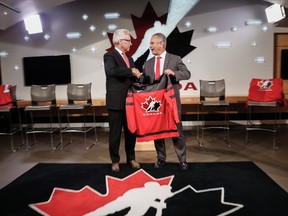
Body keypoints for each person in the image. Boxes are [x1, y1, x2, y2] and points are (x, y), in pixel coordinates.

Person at [141, 33, 191, 171]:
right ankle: (161, 158)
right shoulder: (148, 63)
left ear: (161, 44)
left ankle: (182, 160)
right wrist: (139, 77)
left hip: (171, 101)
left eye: (152, 43)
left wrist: (174, 73)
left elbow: (187, 73)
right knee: (157, 131)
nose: (150, 46)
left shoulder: (175, 59)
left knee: (177, 131)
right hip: (155, 103)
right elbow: (145, 81)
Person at [103, 29, 142, 172]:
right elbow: (111, 71)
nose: (131, 44)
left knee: (131, 132)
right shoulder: (109, 56)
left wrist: (139, 76)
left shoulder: (130, 59)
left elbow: (132, 76)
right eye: (129, 41)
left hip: (130, 102)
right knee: (115, 133)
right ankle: (115, 161)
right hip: (116, 101)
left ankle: (131, 158)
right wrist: (131, 71)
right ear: (120, 42)